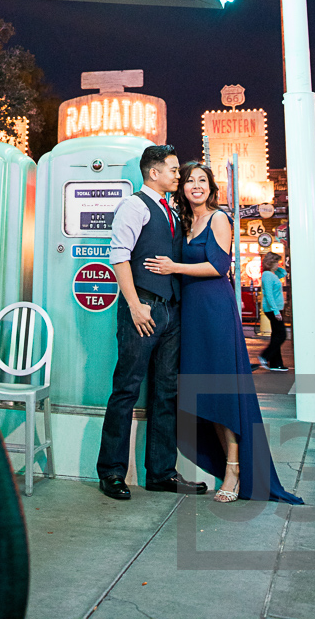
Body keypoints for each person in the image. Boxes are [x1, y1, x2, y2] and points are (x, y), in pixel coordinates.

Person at [148, 161, 302, 505]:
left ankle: (233, 469)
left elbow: (218, 266)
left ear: (211, 187)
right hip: (190, 314)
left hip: (215, 313)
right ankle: (225, 462)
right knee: (202, 391)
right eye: (189, 181)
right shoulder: (185, 221)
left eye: (202, 180)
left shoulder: (219, 218)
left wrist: (174, 266)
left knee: (222, 392)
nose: (195, 186)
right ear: (182, 188)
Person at [96, 145, 208, 500]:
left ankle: (161, 472)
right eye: (174, 170)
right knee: (126, 389)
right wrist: (134, 304)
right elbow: (119, 255)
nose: (179, 176)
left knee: (166, 392)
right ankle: (111, 473)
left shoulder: (170, 209)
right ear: (154, 172)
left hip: (170, 311)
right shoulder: (134, 205)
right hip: (142, 309)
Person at [259, 253, 288, 371]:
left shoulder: (272, 274)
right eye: (276, 262)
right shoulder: (267, 275)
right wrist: (276, 311)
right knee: (281, 335)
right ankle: (265, 356)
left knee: (276, 335)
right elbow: (269, 295)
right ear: (271, 262)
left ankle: (276, 364)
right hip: (272, 309)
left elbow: (284, 273)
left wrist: (276, 267)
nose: (278, 264)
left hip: (276, 308)